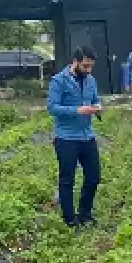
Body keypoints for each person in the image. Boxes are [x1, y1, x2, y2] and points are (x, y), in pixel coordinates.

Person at [47, 46, 103, 228]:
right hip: (66, 137)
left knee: (93, 176)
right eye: (85, 66)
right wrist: (77, 110)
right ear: (76, 62)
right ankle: (70, 218)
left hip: (87, 136)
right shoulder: (59, 81)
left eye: (91, 66)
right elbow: (52, 108)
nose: (89, 70)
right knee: (67, 179)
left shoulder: (91, 80)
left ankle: (85, 214)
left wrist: (97, 107)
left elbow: (95, 99)